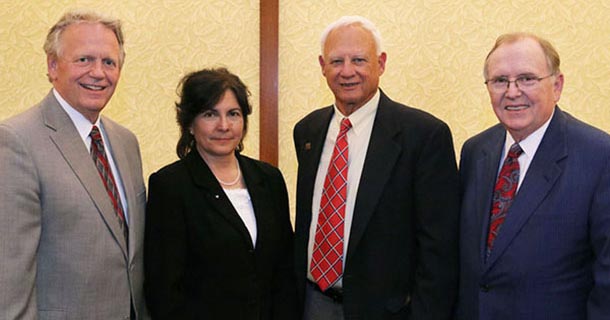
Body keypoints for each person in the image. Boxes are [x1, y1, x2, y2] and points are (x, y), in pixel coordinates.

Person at [293, 16, 460, 320]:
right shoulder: (307, 131)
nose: (347, 71)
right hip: (312, 303)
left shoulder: (423, 136)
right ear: (322, 65)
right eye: (336, 61)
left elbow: (439, 250)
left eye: (359, 60)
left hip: (388, 311)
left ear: (381, 64)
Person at [0, 10, 147, 319]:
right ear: (53, 66)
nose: (98, 72)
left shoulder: (126, 142)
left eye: (109, 62)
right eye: (84, 60)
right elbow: (9, 274)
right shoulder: (16, 141)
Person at [456, 32, 610, 320]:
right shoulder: (475, 151)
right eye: (500, 80)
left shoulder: (600, 156)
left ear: (557, 85)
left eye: (527, 78)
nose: (512, 92)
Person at [144, 67, 297, 319]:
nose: (224, 125)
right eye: (210, 114)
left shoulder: (269, 179)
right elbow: (164, 290)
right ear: (190, 124)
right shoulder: (170, 186)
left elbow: (283, 272)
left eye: (233, 114)